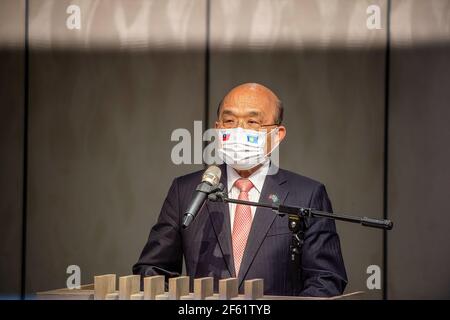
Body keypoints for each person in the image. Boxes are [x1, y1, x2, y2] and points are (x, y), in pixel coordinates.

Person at [133, 83, 347, 296]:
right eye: (229, 121)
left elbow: (326, 278)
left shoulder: (307, 195)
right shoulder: (186, 191)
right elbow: (152, 270)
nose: (239, 130)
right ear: (217, 129)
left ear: (277, 134)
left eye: (252, 121)